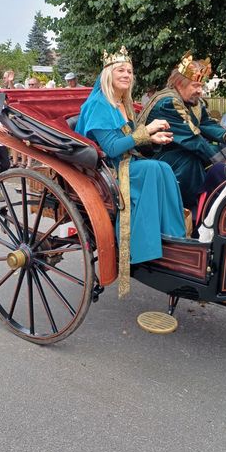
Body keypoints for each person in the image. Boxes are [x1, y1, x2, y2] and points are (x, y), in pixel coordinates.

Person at [75, 46, 186, 297]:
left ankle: (172, 238)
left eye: (129, 71)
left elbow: (130, 140)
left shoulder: (122, 103)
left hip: (126, 161)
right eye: (120, 70)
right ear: (108, 75)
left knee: (163, 168)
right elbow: (113, 147)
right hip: (108, 169)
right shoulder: (98, 105)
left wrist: (153, 138)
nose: (126, 74)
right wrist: (147, 131)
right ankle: (143, 248)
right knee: (152, 170)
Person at [138, 51, 226, 210]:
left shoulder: (192, 101)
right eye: (195, 85)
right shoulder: (169, 102)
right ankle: (194, 209)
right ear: (180, 84)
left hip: (177, 149)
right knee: (192, 161)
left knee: (220, 149)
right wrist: (223, 164)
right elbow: (193, 140)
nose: (200, 91)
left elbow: (206, 123)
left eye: (201, 86)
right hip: (153, 156)